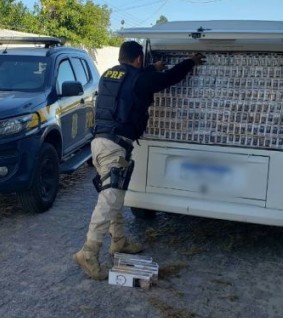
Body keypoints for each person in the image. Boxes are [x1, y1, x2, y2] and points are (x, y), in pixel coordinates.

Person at [73, 40, 205, 280]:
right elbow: (170, 78)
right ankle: (89, 251)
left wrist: (153, 67)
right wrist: (190, 62)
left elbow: (133, 80)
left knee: (115, 196)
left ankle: (119, 242)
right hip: (114, 146)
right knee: (109, 199)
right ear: (138, 59)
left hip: (100, 142)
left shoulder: (108, 74)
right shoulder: (140, 79)